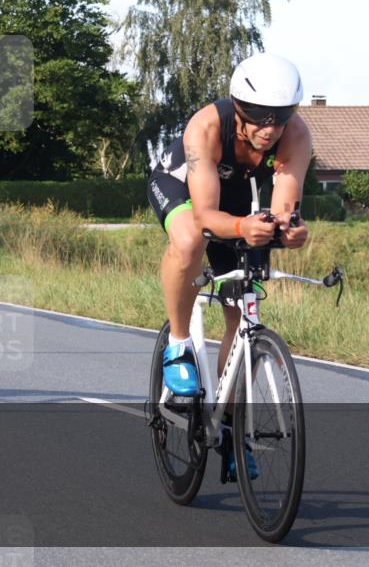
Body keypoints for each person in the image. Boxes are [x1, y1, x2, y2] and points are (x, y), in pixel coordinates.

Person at [147, 53, 312, 480]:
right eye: (259, 118)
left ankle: (230, 426)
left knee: (245, 314)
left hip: (240, 203)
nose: (269, 129)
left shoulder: (296, 136)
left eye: (280, 118)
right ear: (239, 108)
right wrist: (242, 226)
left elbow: (282, 207)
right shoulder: (206, 126)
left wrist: (286, 230)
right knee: (188, 241)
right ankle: (179, 345)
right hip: (183, 188)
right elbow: (204, 216)